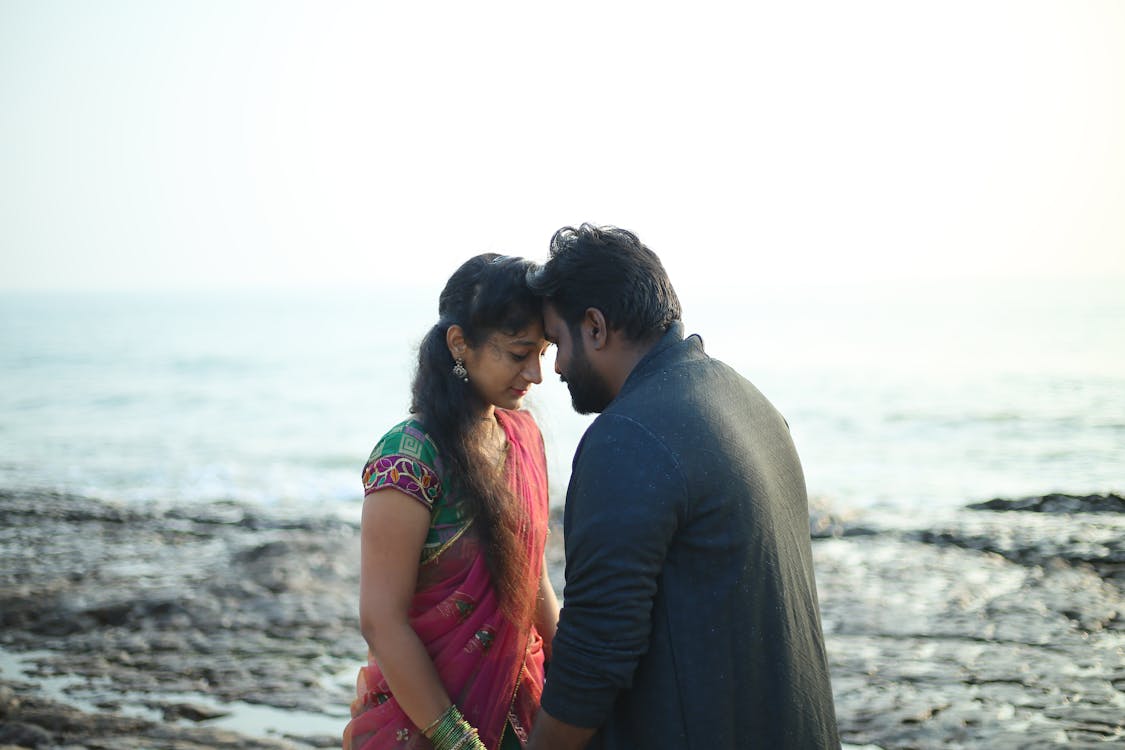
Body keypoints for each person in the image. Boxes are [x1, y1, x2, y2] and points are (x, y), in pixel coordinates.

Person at [524, 225, 840, 749]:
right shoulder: (750, 402)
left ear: (596, 327)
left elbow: (595, 657)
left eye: (557, 342)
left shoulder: (628, 437)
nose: (554, 366)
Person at [343, 254, 560, 750]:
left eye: (543, 353)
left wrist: (576, 673)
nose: (536, 373)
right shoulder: (409, 455)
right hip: (427, 723)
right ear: (460, 344)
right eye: (519, 352)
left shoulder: (523, 436)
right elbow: (382, 619)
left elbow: (534, 578)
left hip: (525, 707)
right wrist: (456, 740)